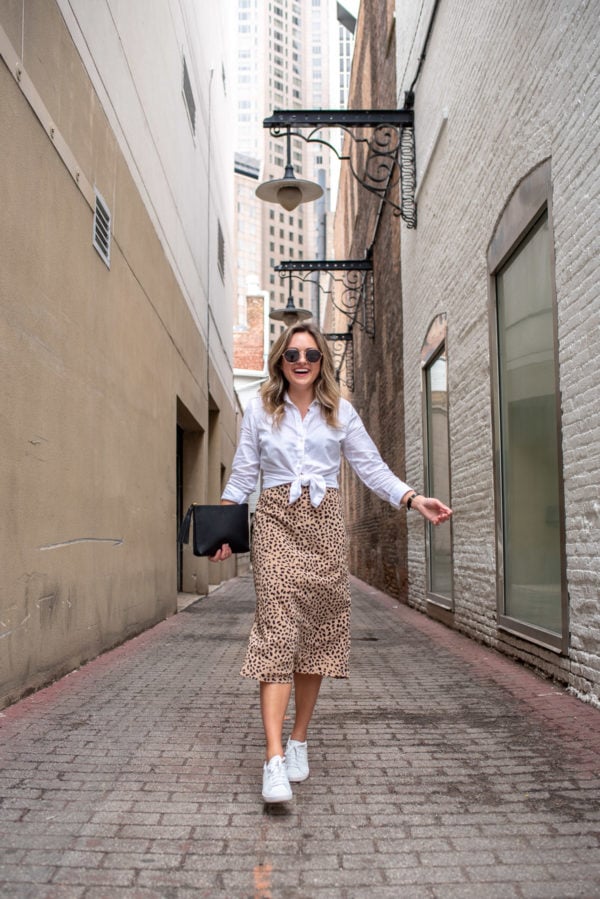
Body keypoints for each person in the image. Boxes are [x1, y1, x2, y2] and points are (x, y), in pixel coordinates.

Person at [210, 322, 452, 804]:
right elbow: (242, 474)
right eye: (293, 353)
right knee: (278, 629)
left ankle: (299, 740)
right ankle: (274, 759)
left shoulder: (340, 412)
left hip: (324, 527)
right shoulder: (260, 412)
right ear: (280, 359)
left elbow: (370, 467)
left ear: (322, 362)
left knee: (316, 632)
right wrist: (222, 526)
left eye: (312, 354)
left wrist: (411, 498)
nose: (302, 361)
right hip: (276, 521)